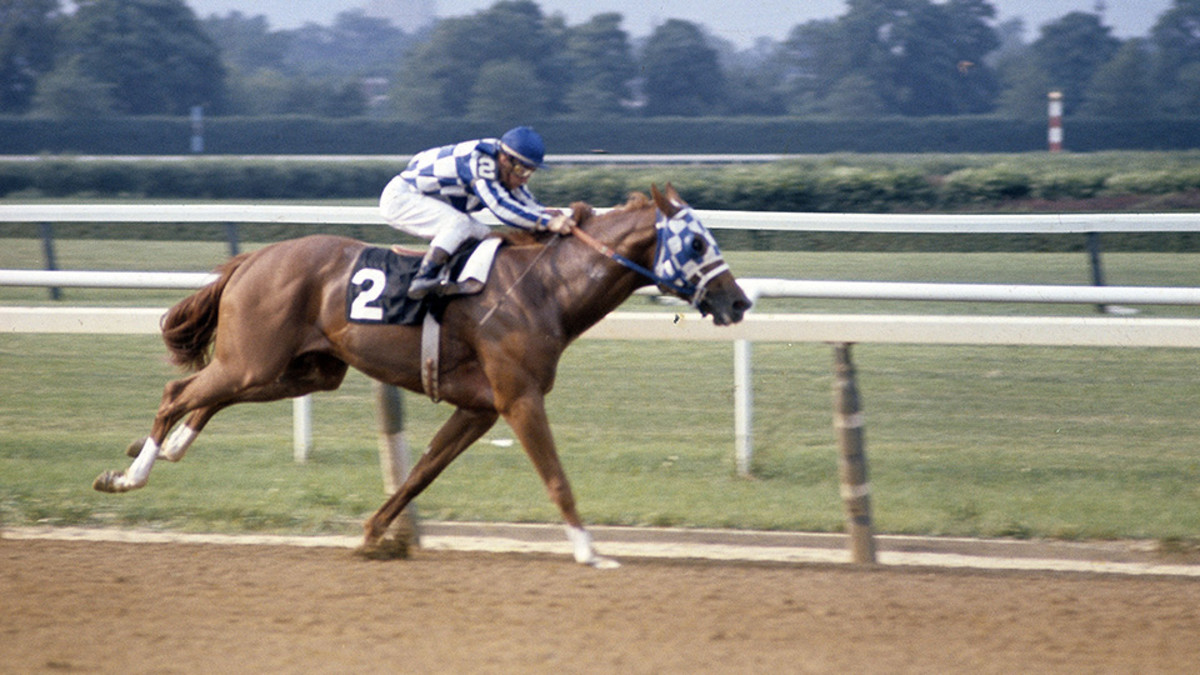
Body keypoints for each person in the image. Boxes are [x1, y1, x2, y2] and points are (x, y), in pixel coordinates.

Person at [379, 126, 574, 299]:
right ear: (505, 159)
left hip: (428, 198)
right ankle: (424, 277)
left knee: (487, 236)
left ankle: (458, 281)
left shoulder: (502, 160)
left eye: (530, 173)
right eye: (522, 171)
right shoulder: (481, 163)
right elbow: (500, 206)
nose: (524, 179)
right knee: (460, 224)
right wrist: (545, 222)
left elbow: (525, 200)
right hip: (402, 198)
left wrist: (549, 215)